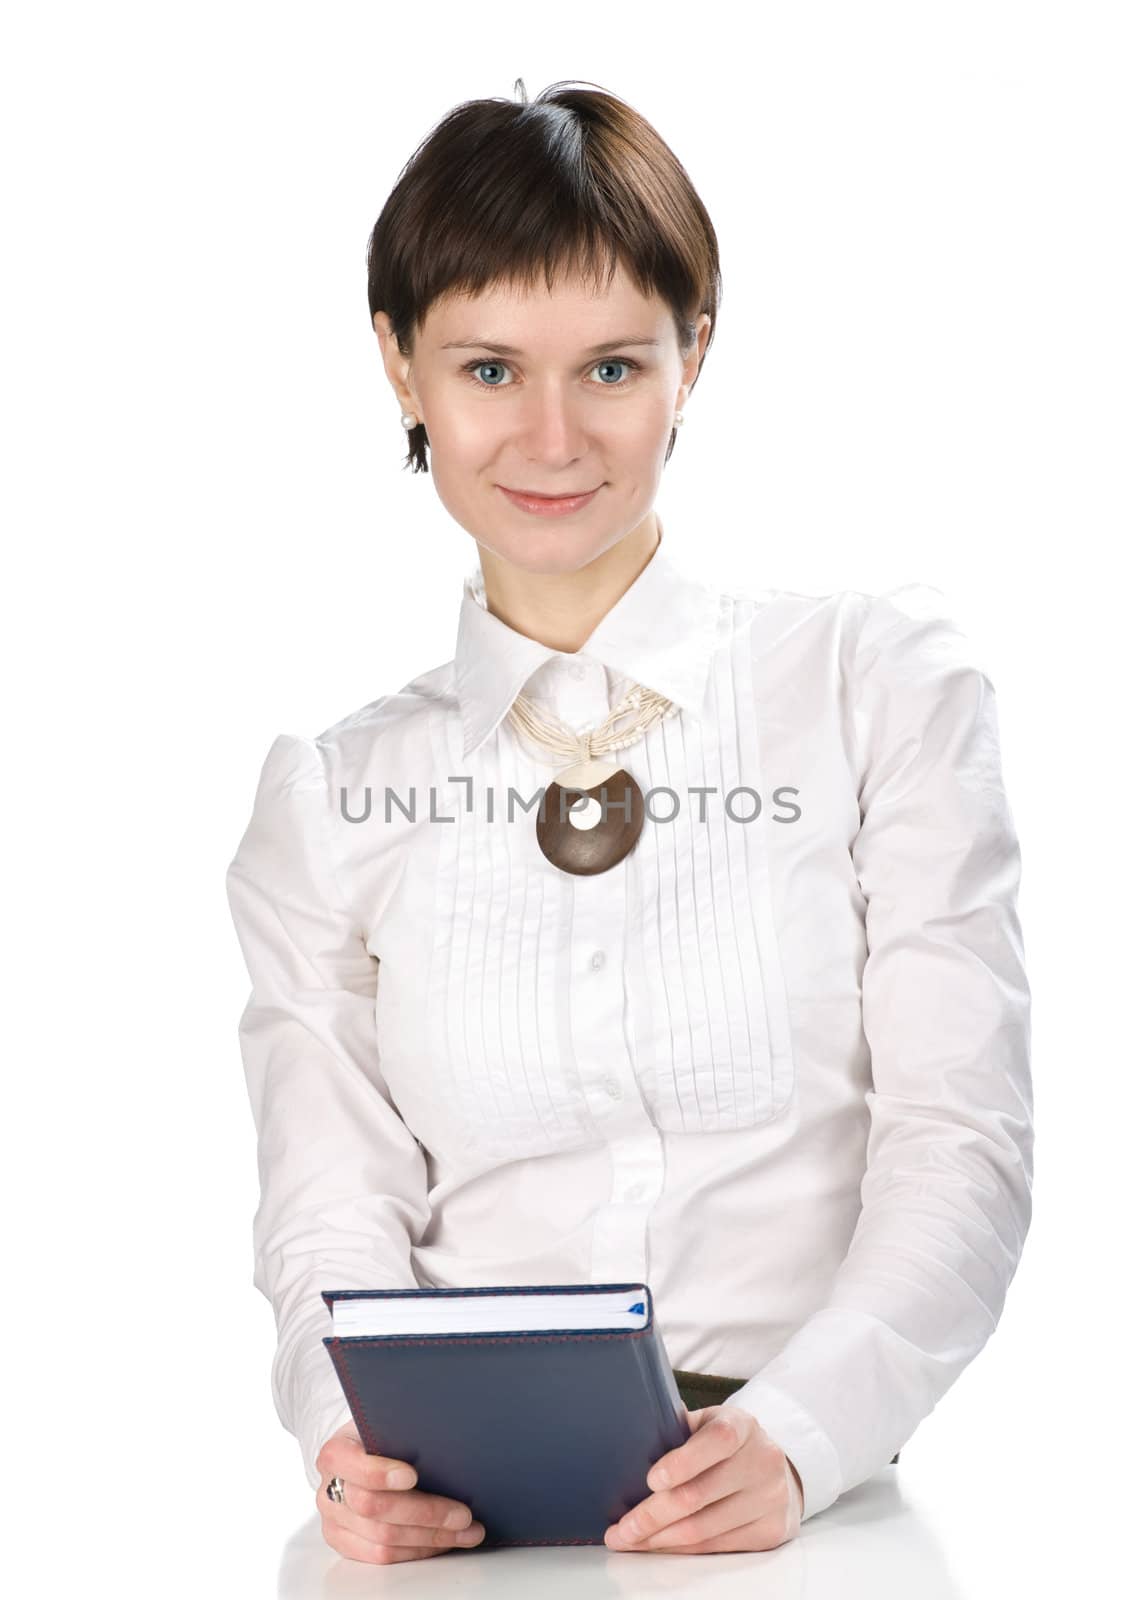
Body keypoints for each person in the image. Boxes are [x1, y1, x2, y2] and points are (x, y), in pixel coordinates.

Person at [224, 79, 1033, 1566]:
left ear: (692, 354)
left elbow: (958, 1142)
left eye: (607, 366)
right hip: (452, 1522)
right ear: (400, 367)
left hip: (807, 1521)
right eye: (485, 367)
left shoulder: (874, 689)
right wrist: (335, 1443)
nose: (548, 436)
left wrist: (796, 1436)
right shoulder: (332, 798)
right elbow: (326, 1200)